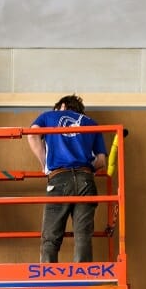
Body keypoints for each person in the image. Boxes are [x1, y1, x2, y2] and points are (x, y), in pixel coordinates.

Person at [26, 95, 107, 263]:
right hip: (86, 178)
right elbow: (101, 161)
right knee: (83, 236)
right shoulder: (91, 123)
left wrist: (44, 164)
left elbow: (32, 135)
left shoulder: (49, 116)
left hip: (59, 178)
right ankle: (83, 279)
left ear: (62, 106)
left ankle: (48, 279)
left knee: (51, 236)